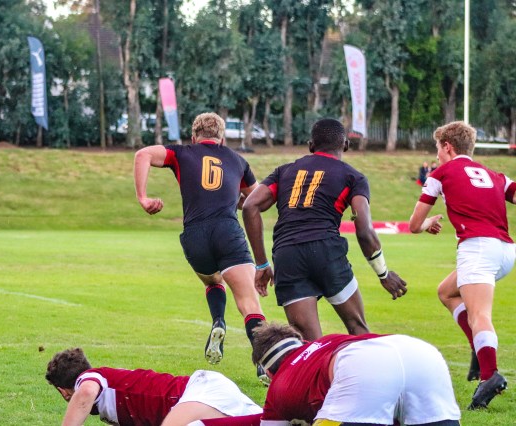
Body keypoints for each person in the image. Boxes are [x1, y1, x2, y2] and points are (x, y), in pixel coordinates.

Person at [242, 118, 407, 341]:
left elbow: (250, 205)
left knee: (310, 344)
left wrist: (262, 264)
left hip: (287, 255)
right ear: (346, 145)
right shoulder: (353, 177)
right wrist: (383, 274)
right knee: (357, 327)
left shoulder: (284, 171)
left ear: (311, 145)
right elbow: (364, 231)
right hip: (325, 251)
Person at [134, 112, 267, 383]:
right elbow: (255, 201)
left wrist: (143, 198)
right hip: (227, 232)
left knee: (213, 280)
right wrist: (234, 200)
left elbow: (142, 154)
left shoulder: (182, 153)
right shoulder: (237, 160)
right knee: (248, 301)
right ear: (222, 138)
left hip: (194, 236)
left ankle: (218, 320)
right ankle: (266, 364)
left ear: (194, 137)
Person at [409, 120, 515, 410]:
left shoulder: (441, 173)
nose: (436, 155)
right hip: (505, 250)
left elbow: (414, 225)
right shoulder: (494, 175)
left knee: (479, 315)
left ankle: (489, 376)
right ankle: (479, 350)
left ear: (448, 146)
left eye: (437, 148)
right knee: (446, 292)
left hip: (477, 248)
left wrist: (428, 223)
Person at [250, 321, 461, 425]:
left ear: (269, 372)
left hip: (362, 364)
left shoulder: (278, 388)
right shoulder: (326, 341)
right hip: (419, 351)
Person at [45, 347, 262, 426]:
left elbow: (85, 392)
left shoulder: (90, 378)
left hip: (201, 392)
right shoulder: (109, 396)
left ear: (62, 391)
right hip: (204, 392)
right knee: (272, 421)